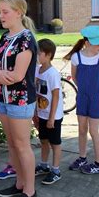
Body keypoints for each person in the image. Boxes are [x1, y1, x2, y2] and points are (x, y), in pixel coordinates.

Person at [0, 0, 38, 197]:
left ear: (19, 12)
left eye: (5, 11)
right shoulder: (4, 37)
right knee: (12, 145)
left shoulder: (26, 39)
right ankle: (19, 183)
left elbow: (17, 76)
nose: (1, 16)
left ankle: (30, 190)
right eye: (0, 11)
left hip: (20, 101)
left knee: (22, 145)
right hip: (3, 98)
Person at [64, 25, 99, 174]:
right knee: (82, 129)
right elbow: (75, 77)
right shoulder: (76, 57)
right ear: (88, 43)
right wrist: (83, 91)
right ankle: (82, 158)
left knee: (94, 131)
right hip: (82, 98)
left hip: (97, 99)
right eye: (98, 43)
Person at [33, 38, 64, 185]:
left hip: (53, 116)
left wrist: (52, 118)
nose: (36, 56)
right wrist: (35, 113)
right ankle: (44, 165)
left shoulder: (53, 74)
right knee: (43, 140)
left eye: (39, 53)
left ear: (48, 55)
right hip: (41, 113)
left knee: (55, 143)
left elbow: (56, 96)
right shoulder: (37, 70)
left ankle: (56, 170)